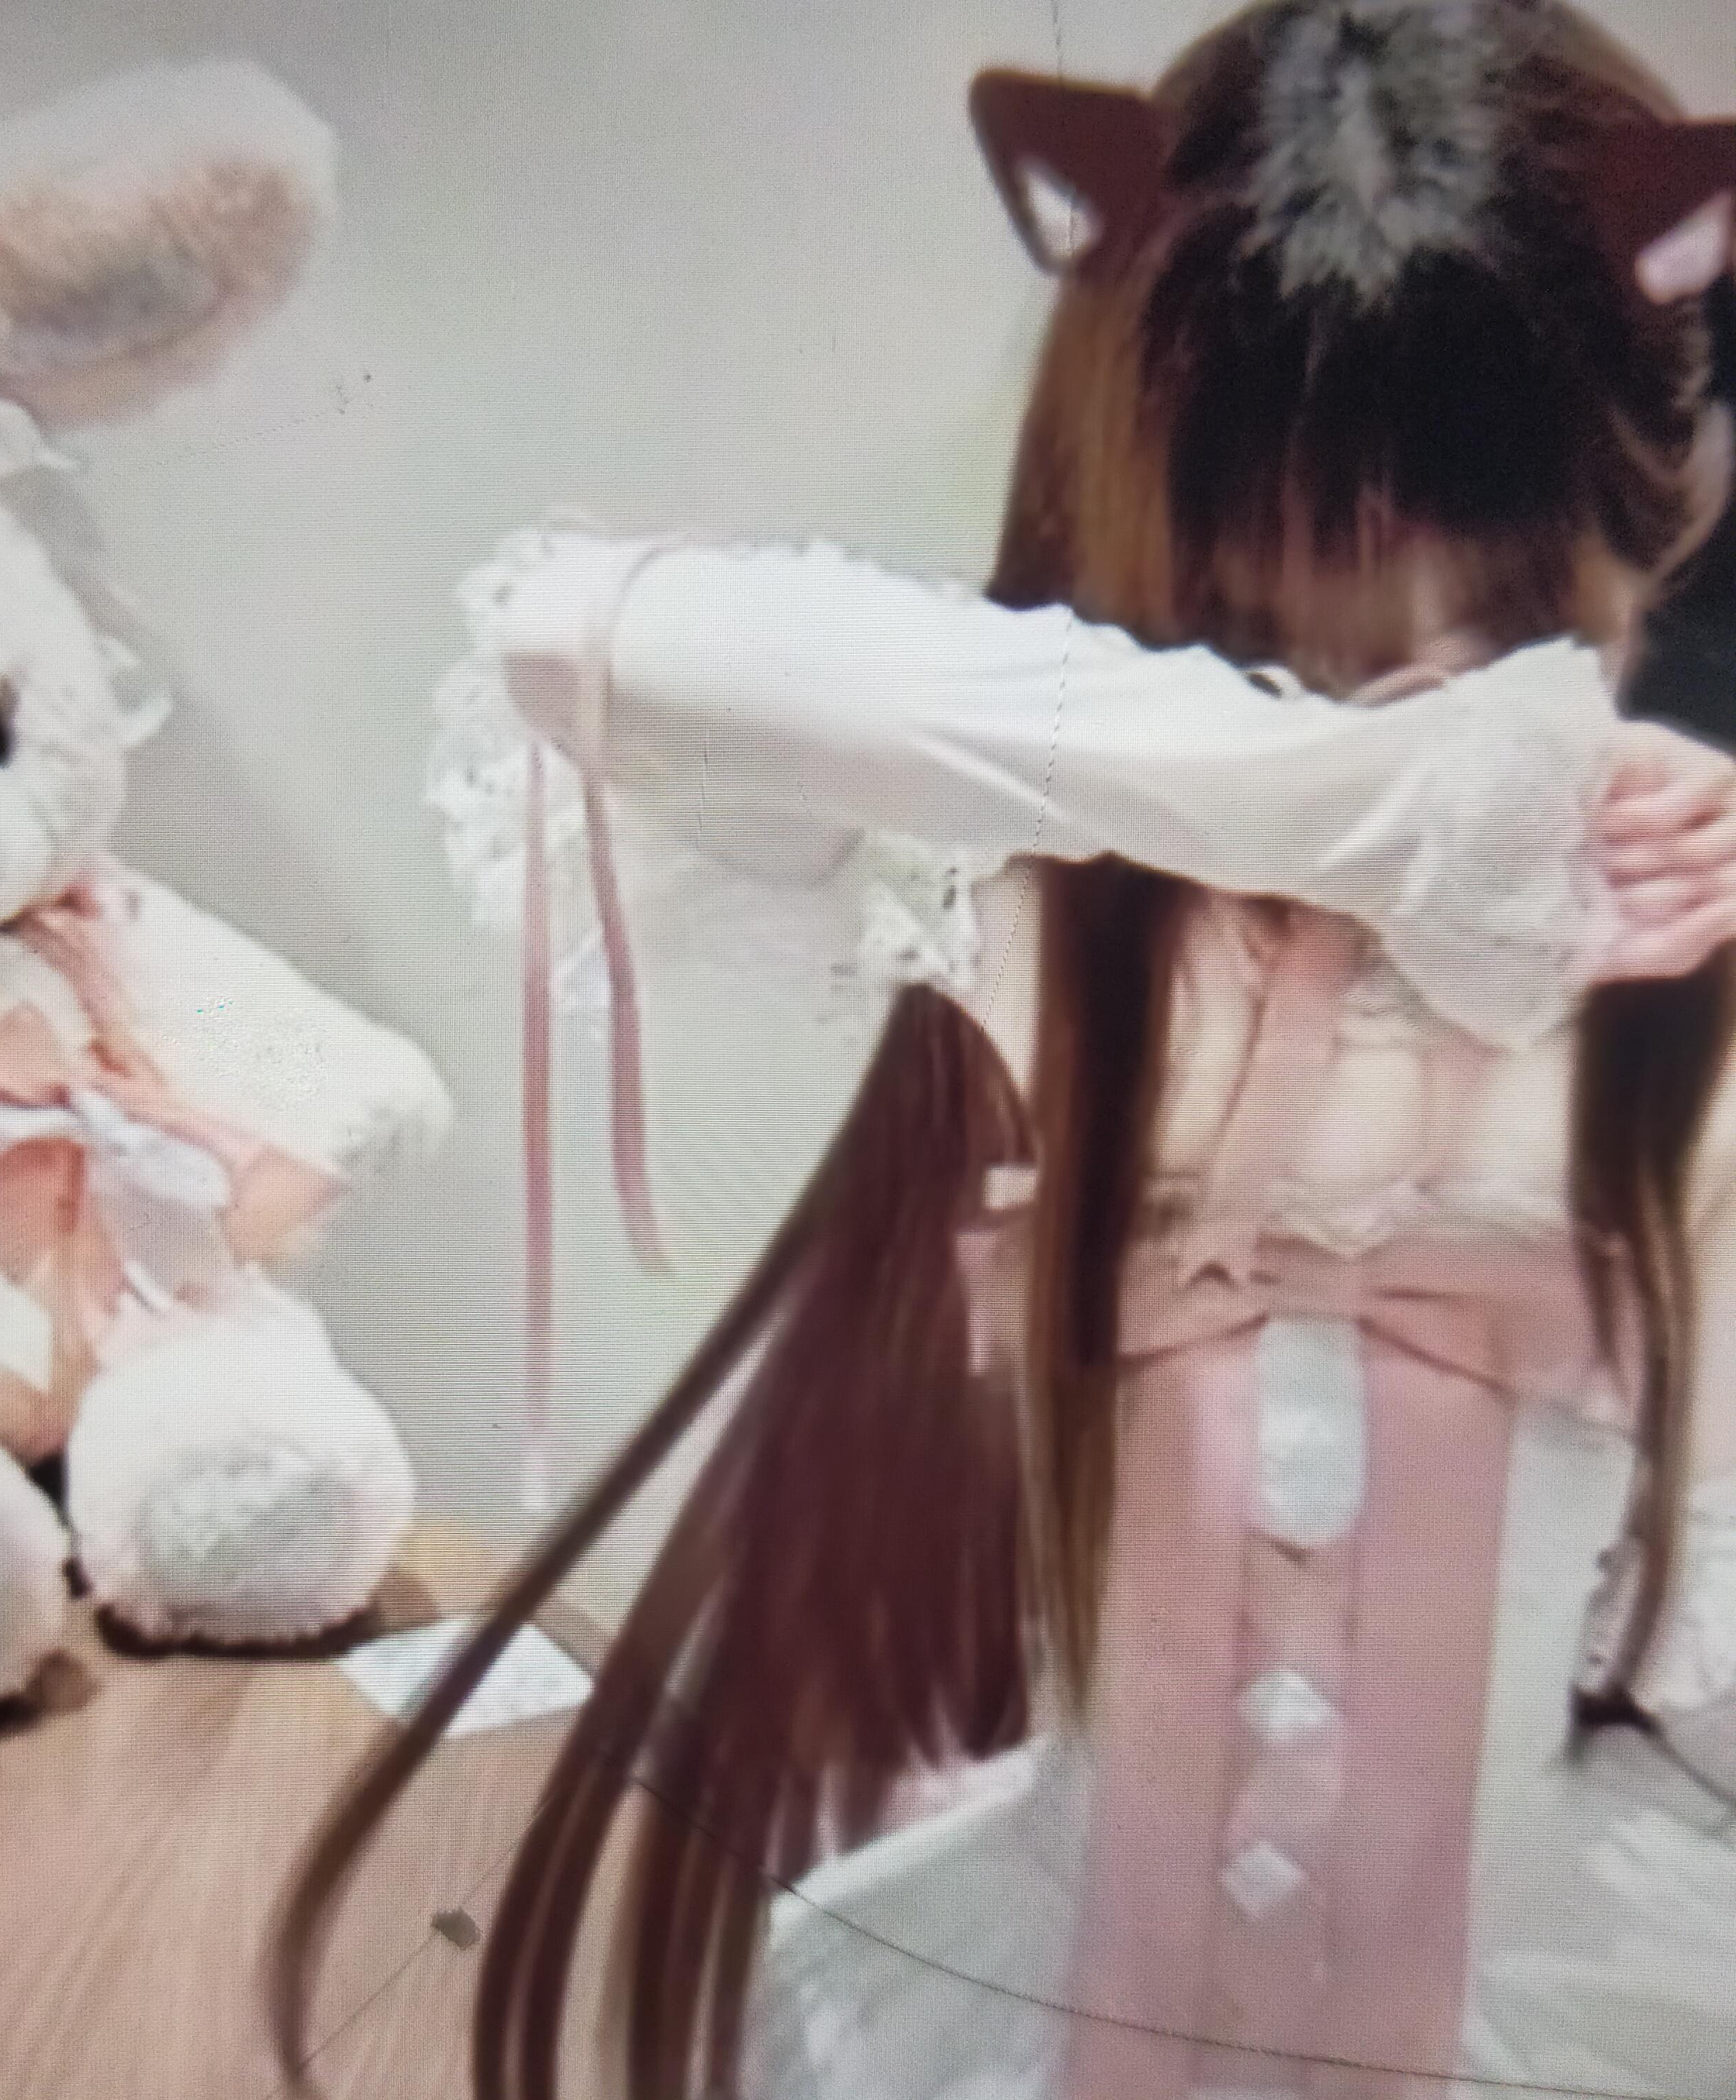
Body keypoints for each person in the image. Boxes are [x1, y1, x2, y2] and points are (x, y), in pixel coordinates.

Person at [272, 6, 1736, 2096]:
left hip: (1545, 1992)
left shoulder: (1687, 946)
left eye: (1484, 627)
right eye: (1273, 628)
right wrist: (1346, 802)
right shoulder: (1051, 911)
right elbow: (583, 641)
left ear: (1659, 507)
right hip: (1034, 1989)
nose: (1390, 692)